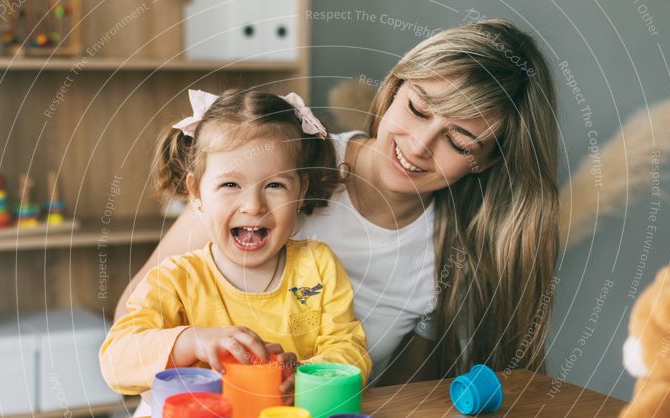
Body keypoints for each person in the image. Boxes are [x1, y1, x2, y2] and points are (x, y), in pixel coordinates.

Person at [116, 19, 559, 385]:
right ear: (393, 88)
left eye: (459, 141)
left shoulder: (450, 254)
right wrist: (197, 350)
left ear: (487, 161)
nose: (420, 145)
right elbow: (128, 326)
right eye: (418, 109)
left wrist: (311, 388)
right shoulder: (277, 166)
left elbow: (403, 394)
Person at [100, 89, 371, 404]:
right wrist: (193, 342)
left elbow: (351, 350)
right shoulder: (176, 279)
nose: (253, 206)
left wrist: (305, 376)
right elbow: (116, 360)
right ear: (196, 192)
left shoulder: (318, 266)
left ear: (301, 192)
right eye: (230, 185)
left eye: (275, 185)